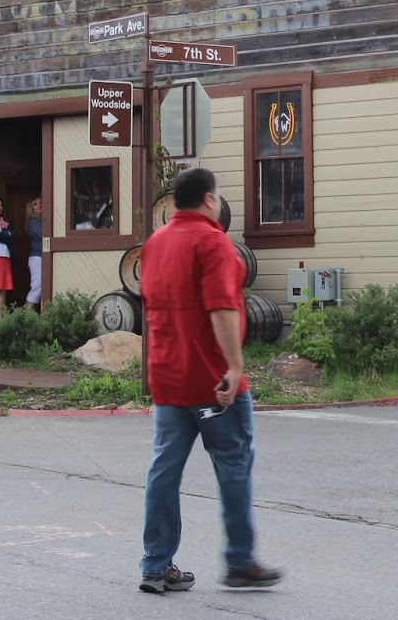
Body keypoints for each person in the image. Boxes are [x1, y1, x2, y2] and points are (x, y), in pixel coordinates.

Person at [137, 167, 282, 595]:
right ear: (208, 200)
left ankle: (155, 565)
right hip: (213, 384)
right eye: (216, 196)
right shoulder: (214, 243)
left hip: (167, 379)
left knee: (164, 472)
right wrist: (234, 369)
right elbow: (222, 310)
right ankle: (240, 562)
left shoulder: (154, 245)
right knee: (233, 468)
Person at [24, 198, 44, 313]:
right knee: (37, 288)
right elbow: (43, 234)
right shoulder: (34, 221)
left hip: (40, 258)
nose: (39, 205)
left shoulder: (41, 220)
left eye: (41, 203)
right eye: (35, 204)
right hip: (37, 258)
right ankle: (26, 318)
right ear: (30, 208)